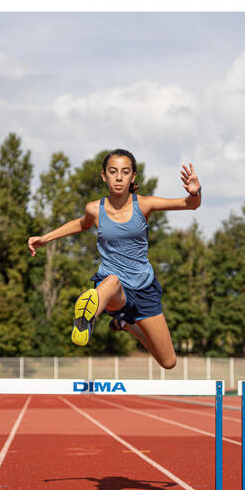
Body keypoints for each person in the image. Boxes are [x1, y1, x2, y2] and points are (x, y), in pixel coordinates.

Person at [27, 149, 201, 369]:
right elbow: (82, 224)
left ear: (133, 177)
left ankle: (126, 324)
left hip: (144, 288)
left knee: (169, 362)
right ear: (104, 175)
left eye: (125, 172)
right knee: (111, 281)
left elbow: (190, 204)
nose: (119, 177)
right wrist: (45, 238)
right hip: (114, 288)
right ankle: (86, 319)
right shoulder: (95, 209)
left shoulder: (144, 204)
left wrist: (195, 191)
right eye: (113, 171)